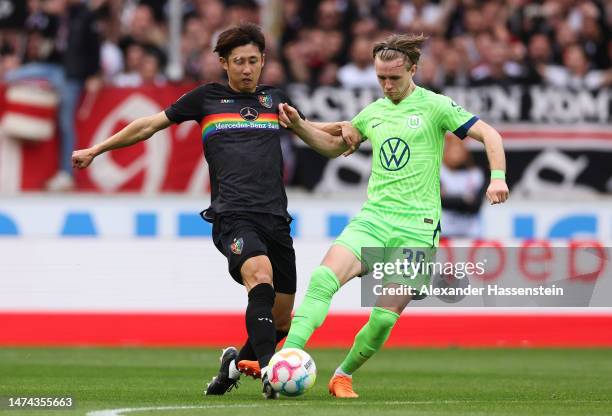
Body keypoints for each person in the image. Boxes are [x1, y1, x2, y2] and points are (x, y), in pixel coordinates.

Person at [71, 23, 359, 399]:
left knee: (282, 317)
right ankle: (273, 372)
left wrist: (353, 127)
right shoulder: (205, 99)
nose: (246, 69)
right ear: (223, 63)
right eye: (238, 61)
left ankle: (234, 365)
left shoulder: (275, 101)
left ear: (263, 61)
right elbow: (147, 126)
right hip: (232, 216)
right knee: (260, 277)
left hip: (275, 217)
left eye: (253, 61)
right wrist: (96, 150)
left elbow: (312, 128)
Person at [268, 33, 509, 398]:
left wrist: (498, 178)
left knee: (382, 318)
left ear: (413, 69)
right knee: (322, 279)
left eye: (394, 78)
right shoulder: (374, 111)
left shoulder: (436, 106)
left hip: (417, 228)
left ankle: (343, 375)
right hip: (373, 219)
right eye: (380, 77)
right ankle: (283, 360)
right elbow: (335, 148)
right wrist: (301, 126)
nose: (387, 85)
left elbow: (490, 134)